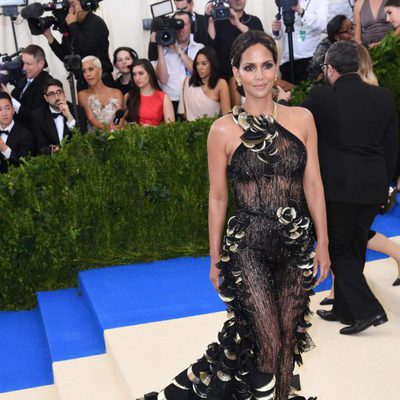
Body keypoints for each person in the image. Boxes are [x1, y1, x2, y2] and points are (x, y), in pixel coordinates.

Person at [140, 30, 330, 400]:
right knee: (268, 340)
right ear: (236, 74)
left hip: (294, 245)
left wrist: (323, 243)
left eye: (266, 65)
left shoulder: (303, 119)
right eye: (250, 67)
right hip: (247, 248)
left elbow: (314, 185)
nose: (259, 75)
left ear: (276, 70)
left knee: (287, 339)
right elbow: (217, 197)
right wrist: (215, 258)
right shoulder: (222, 130)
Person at [301, 41, 398, 335]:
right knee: (355, 245)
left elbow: (297, 126)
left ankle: (369, 310)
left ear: (329, 69)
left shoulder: (320, 96)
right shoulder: (383, 97)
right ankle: (346, 308)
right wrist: (388, 184)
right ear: (358, 66)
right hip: (374, 187)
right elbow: (392, 146)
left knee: (339, 248)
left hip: (339, 188)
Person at [43, 0, 113, 89]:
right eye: (68, 5)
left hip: (101, 81)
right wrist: (49, 36)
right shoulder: (71, 26)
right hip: (82, 83)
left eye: (73, 4)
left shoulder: (96, 23)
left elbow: (86, 49)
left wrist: (72, 25)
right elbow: (66, 56)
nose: (70, 9)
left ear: (84, 4)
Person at [206, 0, 263, 105]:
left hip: (253, 75)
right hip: (224, 79)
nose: (237, 0)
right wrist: (210, 19)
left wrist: (237, 23)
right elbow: (210, 48)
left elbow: (261, 41)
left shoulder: (254, 20)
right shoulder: (219, 22)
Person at [153, 10, 204, 117]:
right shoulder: (165, 51)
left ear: (191, 26)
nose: (180, 29)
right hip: (171, 103)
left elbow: (198, 72)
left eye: (184, 25)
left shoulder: (199, 48)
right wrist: (159, 46)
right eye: (177, 25)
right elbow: (163, 79)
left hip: (194, 101)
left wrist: (178, 50)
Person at [272, 0, 329, 85]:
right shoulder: (287, 1)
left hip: (309, 61)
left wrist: (301, 11)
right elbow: (280, 33)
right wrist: (276, 30)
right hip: (287, 62)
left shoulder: (320, 2)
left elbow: (323, 25)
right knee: (288, 96)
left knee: (307, 96)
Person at [33, 78, 87, 155]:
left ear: (64, 94)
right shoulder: (38, 116)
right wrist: (55, 150)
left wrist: (69, 117)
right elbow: (41, 146)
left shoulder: (77, 110)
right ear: (46, 98)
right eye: (51, 94)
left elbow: (83, 138)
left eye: (59, 92)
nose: (57, 97)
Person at [178, 46, 230, 120]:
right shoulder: (187, 82)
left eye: (204, 64)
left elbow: (226, 115)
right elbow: (183, 111)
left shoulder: (221, 84)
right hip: (190, 128)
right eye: (197, 64)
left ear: (212, 64)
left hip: (214, 129)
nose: (199, 67)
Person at [6, 45, 52, 129]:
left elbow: (35, 117)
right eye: (23, 63)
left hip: (34, 137)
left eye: (28, 64)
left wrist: (11, 99)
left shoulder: (48, 84)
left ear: (41, 63)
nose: (24, 68)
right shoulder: (22, 80)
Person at [78, 56, 124, 131]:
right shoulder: (82, 94)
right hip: (94, 139)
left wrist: (115, 132)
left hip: (117, 136)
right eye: (84, 71)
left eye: (91, 69)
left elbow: (120, 118)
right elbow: (91, 119)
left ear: (100, 70)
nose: (87, 74)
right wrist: (109, 130)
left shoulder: (116, 93)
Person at [125, 59, 175, 126]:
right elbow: (123, 124)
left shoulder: (163, 97)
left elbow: (171, 127)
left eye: (141, 73)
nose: (137, 78)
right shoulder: (128, 96)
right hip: (133, 135)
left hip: (156, 135)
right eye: (134, 74)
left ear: (149, 73)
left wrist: (153, 128)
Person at [307, 15, 355, 81]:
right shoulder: (326, 45)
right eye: (348, 31)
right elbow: (316, 63)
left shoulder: (355, 43)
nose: (353, 32)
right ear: (337, 37)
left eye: (352, 27)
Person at [0, 92, 35, 173]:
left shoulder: (26, 134)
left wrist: (5, 149)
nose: (4, 113)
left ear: (13, 110)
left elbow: (24, 165)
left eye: (7, 108)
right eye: (0, 109)